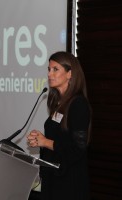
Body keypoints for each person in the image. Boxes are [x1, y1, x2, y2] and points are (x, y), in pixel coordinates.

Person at [27, 51, 91, 200]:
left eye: (55, 69)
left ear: (70, 73)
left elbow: (77, 149)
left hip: (69, 184)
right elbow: (59, 137)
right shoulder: (58, 103)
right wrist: (40, 140)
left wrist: (46, 142)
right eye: (49, 69)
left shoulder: (78, 104)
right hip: (53, 178)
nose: (50, 74)